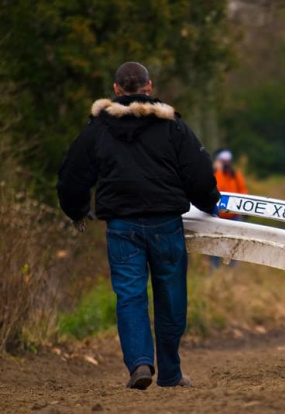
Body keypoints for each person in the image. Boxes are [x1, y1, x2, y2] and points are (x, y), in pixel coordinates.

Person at [57, 62, 220, 390]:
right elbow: (198, 172)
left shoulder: (99, 128)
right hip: (166, 223)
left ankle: (140, 365)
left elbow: (72, 174)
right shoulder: (172, 125)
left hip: (121, 225)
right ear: (149, 86)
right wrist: (209, 203)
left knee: (130, 295)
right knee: (171, 296)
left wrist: (76, 210)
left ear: (116, 89)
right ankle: (171, 373)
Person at [210, 148, 248, 267]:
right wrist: (219, 172)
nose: (226, 164)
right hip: (218, 216)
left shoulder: (235, 175)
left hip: (234, 216)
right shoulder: (213, 175)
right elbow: (217, 190)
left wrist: (241, 208)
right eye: (223, 161)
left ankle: (234, 270)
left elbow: (243, 191)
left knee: (235, 245)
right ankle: (214, 269)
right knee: (215, 245)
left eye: (228, 161)